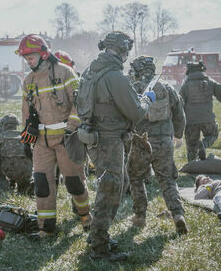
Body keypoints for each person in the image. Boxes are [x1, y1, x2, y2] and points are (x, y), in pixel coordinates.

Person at [80, 31, 153, 261]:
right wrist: (147, 99)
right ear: (122, 50)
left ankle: (97, 235)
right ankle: (99, 248)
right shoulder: (115, 77)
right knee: (110, 190)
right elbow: (136, 112)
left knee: (107, 188)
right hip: (110, 140)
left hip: (93, 137)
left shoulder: (89, 72)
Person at [16, 34, 92, 239]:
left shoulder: (66, 72)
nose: (28, 61)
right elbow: (26, 112)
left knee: (74, 183)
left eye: (30, 57)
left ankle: (85, 217)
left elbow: (80, 104)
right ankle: (46, 229)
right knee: (41, 185)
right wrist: (26, 138)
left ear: (42, 53)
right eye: (25, 58)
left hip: (66, 139)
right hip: (41, 142)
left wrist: (72, 128)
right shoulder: (28, 81)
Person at [126, 56, 187, 233]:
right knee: (167, 179)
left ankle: (139, 217)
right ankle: (177, 215)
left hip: (140, 142)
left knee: (136, 178)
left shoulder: (132, 88)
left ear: (137, 70)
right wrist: (178, 135)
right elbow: (179, 113)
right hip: (164, 140)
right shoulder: (167, 87)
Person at [180, 61, 221, 161]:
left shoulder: (185, 85)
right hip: (207, 119)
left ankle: (192, 167)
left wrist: (177, 119)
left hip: (191, 121)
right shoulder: (210, 82)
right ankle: (204, 144)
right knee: (213, 134)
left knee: (191, 144)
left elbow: (179, 102)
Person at [0, 114, 33, 195]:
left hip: (8, 171)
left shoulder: (1, 137)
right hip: (25, 172)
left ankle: (3, 183)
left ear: (3, 125)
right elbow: (32, 155)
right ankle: (26, 185)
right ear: (16, 125)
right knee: (23, 190)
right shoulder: (24, 136)